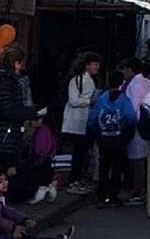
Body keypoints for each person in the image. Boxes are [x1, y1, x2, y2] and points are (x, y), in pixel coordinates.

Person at [88, 70, 137, 207]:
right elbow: (131, 118)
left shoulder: (102, 99)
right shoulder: (124, 99)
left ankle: (101, 196)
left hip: (104, 138)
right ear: (122, 83)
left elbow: (93, 119)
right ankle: (113, 196)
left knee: (104, 166)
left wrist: (94, 134)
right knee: (117, 167)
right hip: (119, 138)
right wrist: (129, 134)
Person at [60, 52, 100, 195]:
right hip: (76, 122)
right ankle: (73, 181)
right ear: (87, 65)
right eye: (94, 64)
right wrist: (89, 101)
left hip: (84, 121)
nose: (97, 67)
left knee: (82, 153)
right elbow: (73, 100)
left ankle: (78, 180)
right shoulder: (77, 80)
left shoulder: (90, 80)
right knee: (78, 152)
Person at [120, 59, 149, 206]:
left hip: (136, 124)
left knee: (136, 159)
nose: (123, 74)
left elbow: (132, 107)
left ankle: (138, 191)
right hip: (146, 123)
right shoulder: (146, 82)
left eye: (124, 70)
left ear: (130, 70)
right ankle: (146, 189)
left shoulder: (133, 85)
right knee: (144, 158)